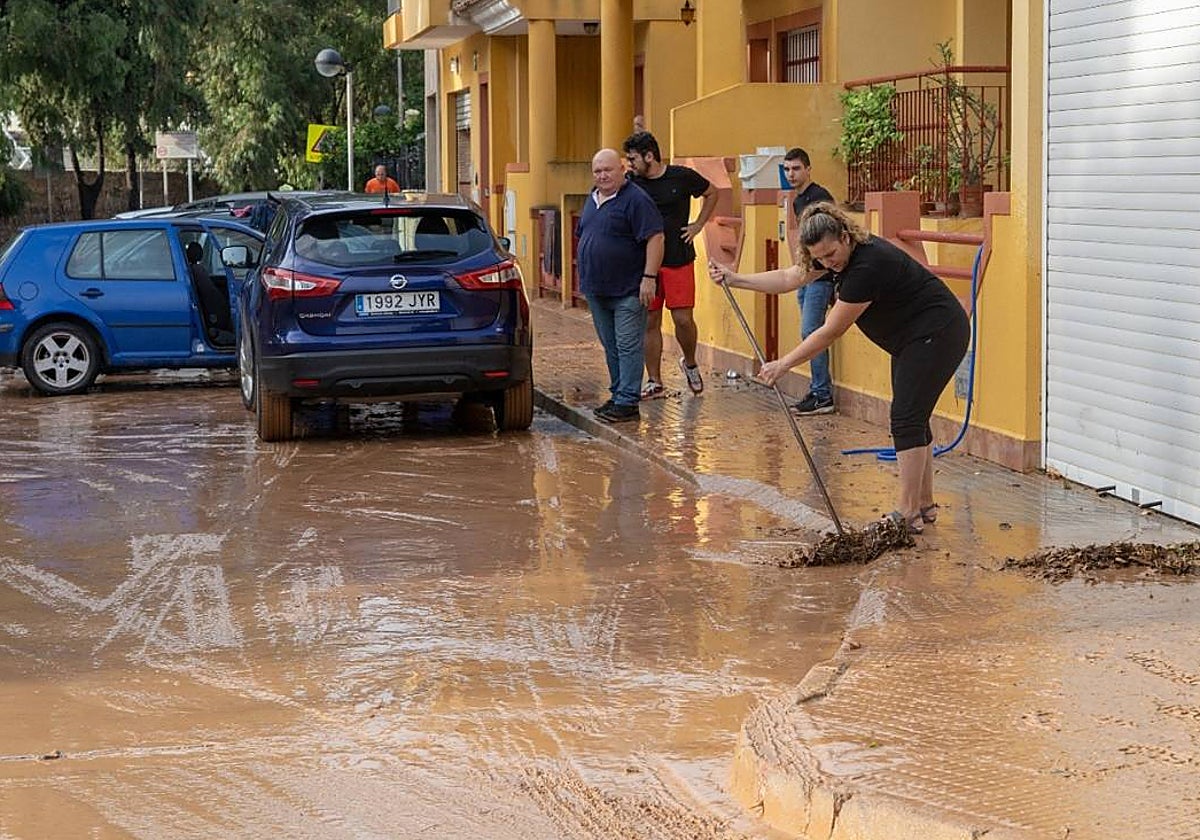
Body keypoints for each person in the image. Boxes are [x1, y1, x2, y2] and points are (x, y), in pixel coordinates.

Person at [708, 202, 969, 534]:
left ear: (846, 237)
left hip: (937, 332)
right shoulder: (833, 258)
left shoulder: (867, 265)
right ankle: (923, 504)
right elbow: (789, 277)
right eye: (819, 258)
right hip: (913, 339)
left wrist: (783, 364)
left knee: (906, 418)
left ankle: (907, 513)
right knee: (914, 417)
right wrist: (736, 278)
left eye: (831, 254)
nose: (827, 263)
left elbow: (831, 330)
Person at [622, 131, 717, 398]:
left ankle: (690, 363)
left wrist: (698, 225)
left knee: (683, 320)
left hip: (679, 258)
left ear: (649, 156)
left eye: (633, 158)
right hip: (645, 265)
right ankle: (654, 380)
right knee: (650, 320)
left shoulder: (681, 177)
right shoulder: (631, 183)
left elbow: (712, 193)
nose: (630, 164)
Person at [576, 148, 664, 423]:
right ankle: (617, 394)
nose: (602, 176)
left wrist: (649, 278)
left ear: (622, 169)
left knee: (628, 345)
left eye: (608, 170)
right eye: (598, 171)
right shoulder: (592, 198)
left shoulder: (636, 199)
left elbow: (656, 237)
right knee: (611, 345)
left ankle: (627, 402)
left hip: (629, 289)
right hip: (596, 289)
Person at [782, 147, 837, 415]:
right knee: (809, 333)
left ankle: (822, 394)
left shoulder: (819, 197)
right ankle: (818, 390)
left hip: (821, 277)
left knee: (812, 333)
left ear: (808, 169)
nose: (791, 174)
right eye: (787, 169)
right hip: (806, 275)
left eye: (796, 169)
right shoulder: (797, 201)